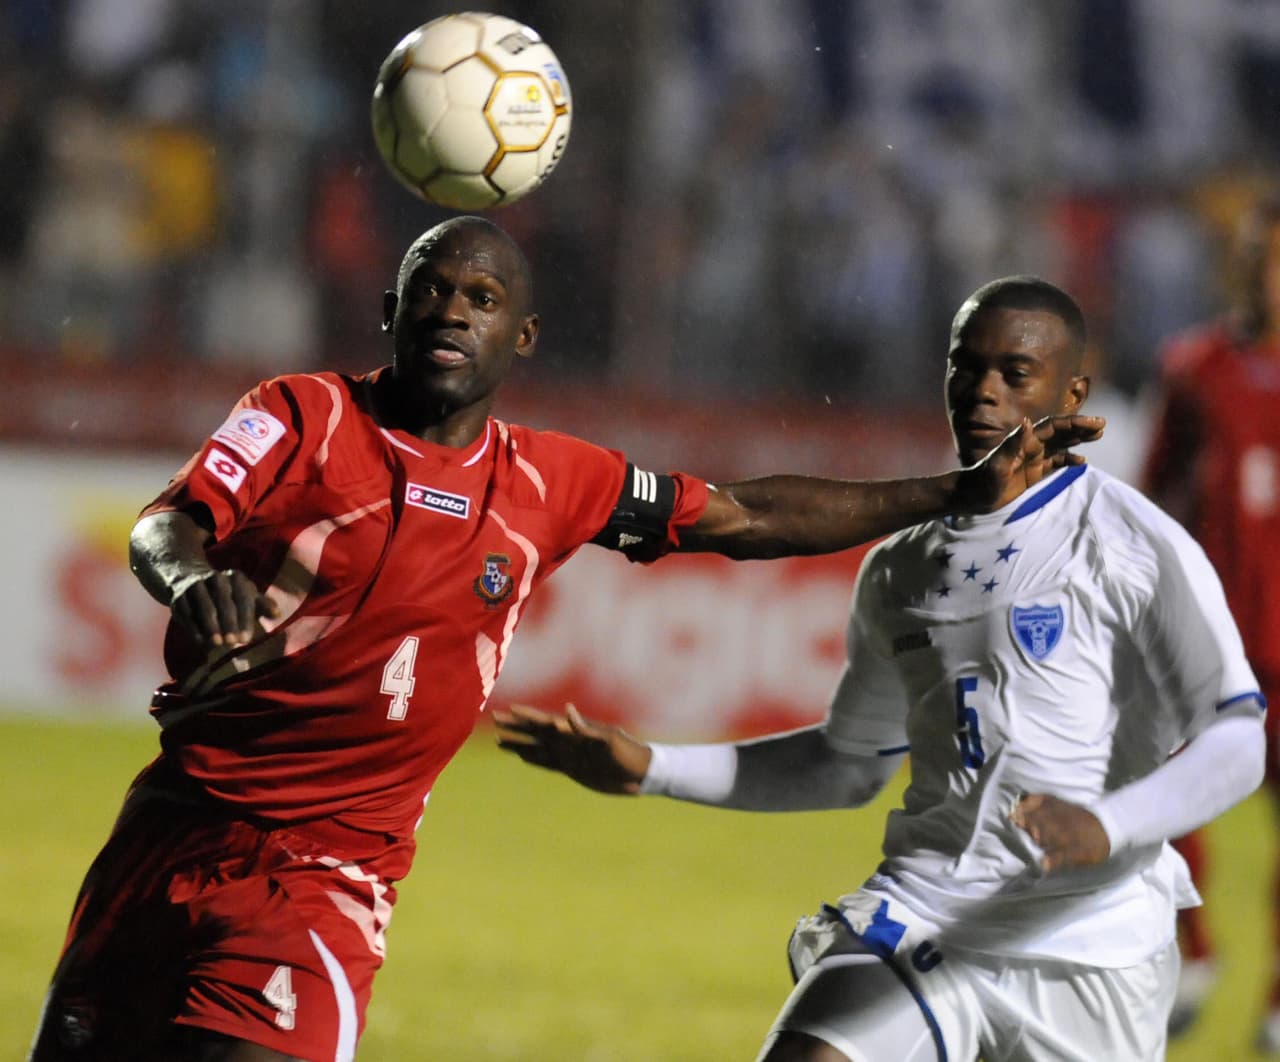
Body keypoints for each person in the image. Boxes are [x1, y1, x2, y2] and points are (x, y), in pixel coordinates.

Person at [27, 219, 1101, 1062]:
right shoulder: (299, 415)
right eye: (435, 291)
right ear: (392, 309)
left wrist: (950, 492)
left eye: (483, 298)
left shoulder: (555, 482)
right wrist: (192, 579)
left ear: (520, 338)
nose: (454, 311)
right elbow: (169, 523)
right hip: (169, 833)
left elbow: (740, 517)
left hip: (325, 878)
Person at [496, 275, 1267, 1062]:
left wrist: (1107, 824)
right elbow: (848, 765)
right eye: (965, 367)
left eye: (1014, 373)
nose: (981, 392)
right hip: (926, 914)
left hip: (1086, 941)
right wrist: (655, 766)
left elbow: (1240, 739)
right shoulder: (902, 563)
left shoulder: (1134, 543)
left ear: (1074, 390)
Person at [1142, 192, 1280, 1048]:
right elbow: (1156, 496)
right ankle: (1192, 948)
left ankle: (1276, 1005)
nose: (1266, 273)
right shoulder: (1195, 367)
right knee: (1164, 792)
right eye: (1257, 256)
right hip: (1214, 633)